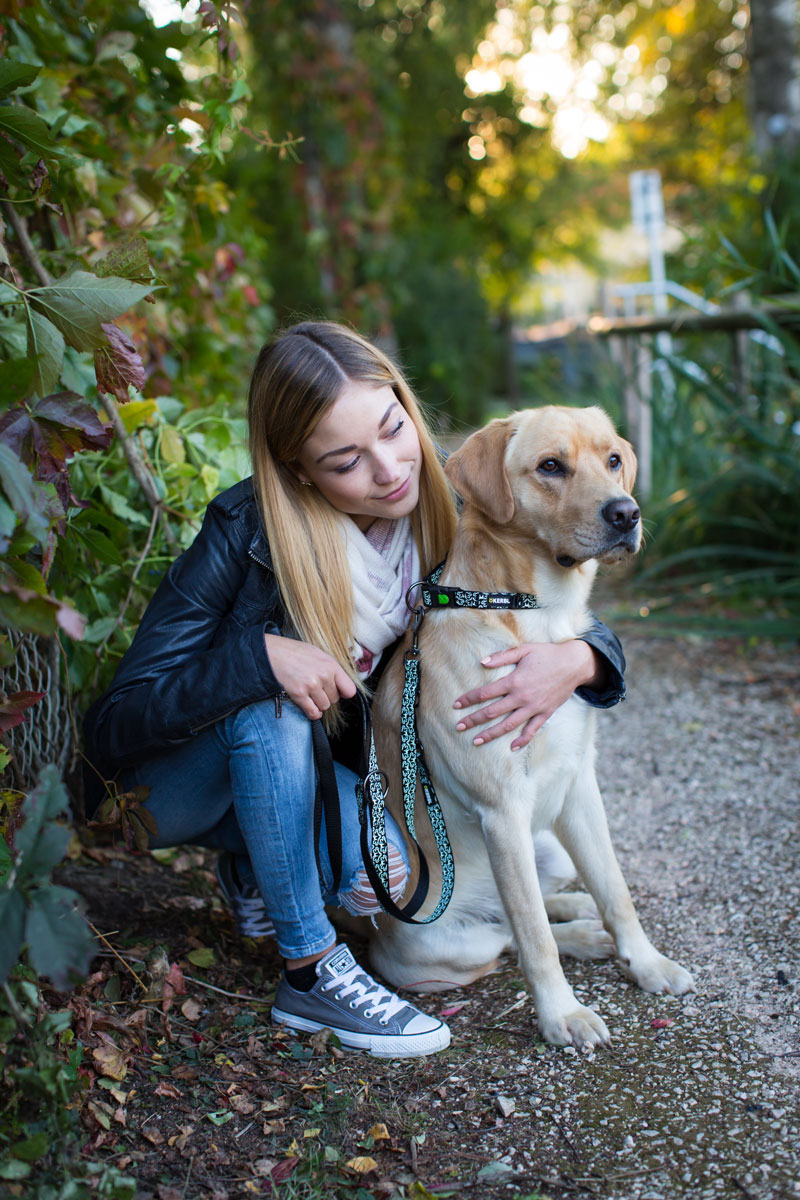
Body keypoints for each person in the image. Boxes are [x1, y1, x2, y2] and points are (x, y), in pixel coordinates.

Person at [83, 320, 626, 1058]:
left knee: (396, 876)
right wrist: (258, 656)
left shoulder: (446, 504)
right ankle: (312, 972)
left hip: (305, 778)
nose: (390, 469)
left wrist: (583, 661)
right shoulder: (245, 531)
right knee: (271, 710)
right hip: (175, 788)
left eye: (394, 427)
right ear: (300, 470)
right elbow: (116, 725)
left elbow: (548, 589)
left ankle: (259, 865)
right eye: (346, 460)